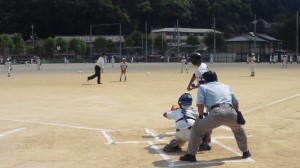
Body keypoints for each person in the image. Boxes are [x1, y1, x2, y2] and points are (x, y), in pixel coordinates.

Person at [179, 71, 251, 162]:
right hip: (231, 111)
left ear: (205, 79)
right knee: (239, 130)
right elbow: (235, 102)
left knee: (196, 129)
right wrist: (237, 113)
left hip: (216, 113)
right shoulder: (226, 86)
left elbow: (200, 104)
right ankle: (246, 152)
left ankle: (190, 155)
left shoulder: (203, 87)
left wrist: (200, 118)